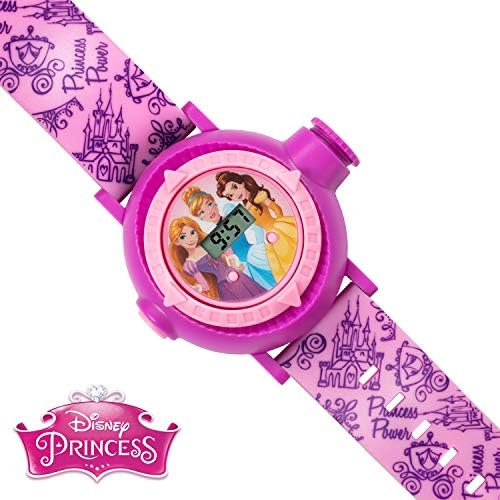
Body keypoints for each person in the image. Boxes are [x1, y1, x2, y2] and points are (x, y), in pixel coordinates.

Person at [182, 186, 275, 290]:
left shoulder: (231, 215)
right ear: (200, 218)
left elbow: (257, 227)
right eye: (202, 212)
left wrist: (262, 245)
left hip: (255, 254)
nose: (209, 211)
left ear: (215, 203)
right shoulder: (212, 238)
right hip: (243, 268)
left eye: (209, 204)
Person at [216, 172, 297, 282]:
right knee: (282, 262)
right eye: (230, 195)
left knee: (290, 252)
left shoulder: (258, 196)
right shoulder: (246, 206)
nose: (235, 194)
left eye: (234, 187)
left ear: (241, 182)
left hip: (278, 228)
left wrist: (280, 223)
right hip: (269, 236)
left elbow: (276, 208)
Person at [168, 217, 266, 302]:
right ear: (177, 242)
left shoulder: (209, 244)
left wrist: (234, 265)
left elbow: (228, 251)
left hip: (237, 276)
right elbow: (206, 286)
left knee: (259, 297)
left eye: (192, 232)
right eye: (183, 237)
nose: (190, 239)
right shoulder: (190, 264)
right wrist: (195, 288)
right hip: (225, 288)